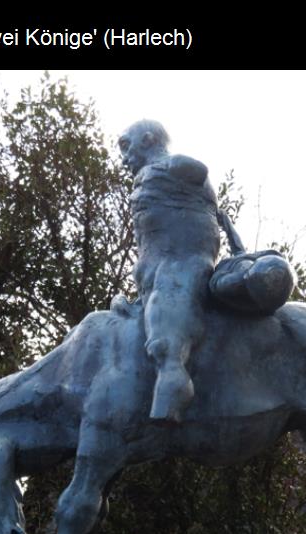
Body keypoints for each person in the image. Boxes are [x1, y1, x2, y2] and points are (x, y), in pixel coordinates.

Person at [117, 119, 243, 422]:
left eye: (126, 146)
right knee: (152, 302)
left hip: (183, 266)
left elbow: (197, 170)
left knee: (166, 329)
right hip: (155, 271)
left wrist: (173, 165)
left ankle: (172, 379)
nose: (123, 158)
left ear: (147, 140)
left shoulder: (171, 167)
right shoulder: (148, 178)